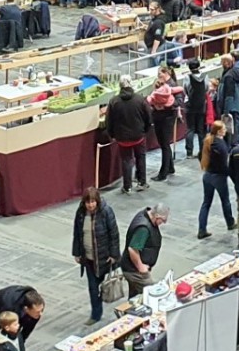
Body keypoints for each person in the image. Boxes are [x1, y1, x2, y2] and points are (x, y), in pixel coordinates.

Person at [70, 188, 119, 325]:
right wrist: (77, 252)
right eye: (88, 202)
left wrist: (114, 254)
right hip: (88, 258)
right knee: (93, 288)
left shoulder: (106, 212)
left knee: (104, 285)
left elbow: (114, 234)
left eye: (92, 202)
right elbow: (77, 234)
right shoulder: (80, 214)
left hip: (104, 257)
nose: (90, 205)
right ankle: (96, 314)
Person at [106, 86, 153, 195]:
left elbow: (109, 120)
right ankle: (142, 182)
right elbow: (148, 116)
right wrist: (145, 130)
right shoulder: (140, 100)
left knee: (126, 160)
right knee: (141, 158)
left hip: (122, 138)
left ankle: (127, 186)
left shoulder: (114, 101)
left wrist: (112, 134)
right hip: (139, 136)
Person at [122, 204, 168, 296]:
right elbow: (132, 249)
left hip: (131, 267)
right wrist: (141, 268)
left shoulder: (146, 216)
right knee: (152, 293)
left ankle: (131, 309)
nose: (162, 223)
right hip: (134, 271)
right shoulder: (143, 228)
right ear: (157, 216)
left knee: (134, 296)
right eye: (162, 221)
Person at [0, 286, 43, 351]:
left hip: (17, 306)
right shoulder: (10, 307)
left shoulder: (37, 305)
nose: (41, 314)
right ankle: (0, 349)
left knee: (17, 333)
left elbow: (28, 328)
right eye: (38, 312)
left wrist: (20, 344)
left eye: (42, 310)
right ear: (26, 309)